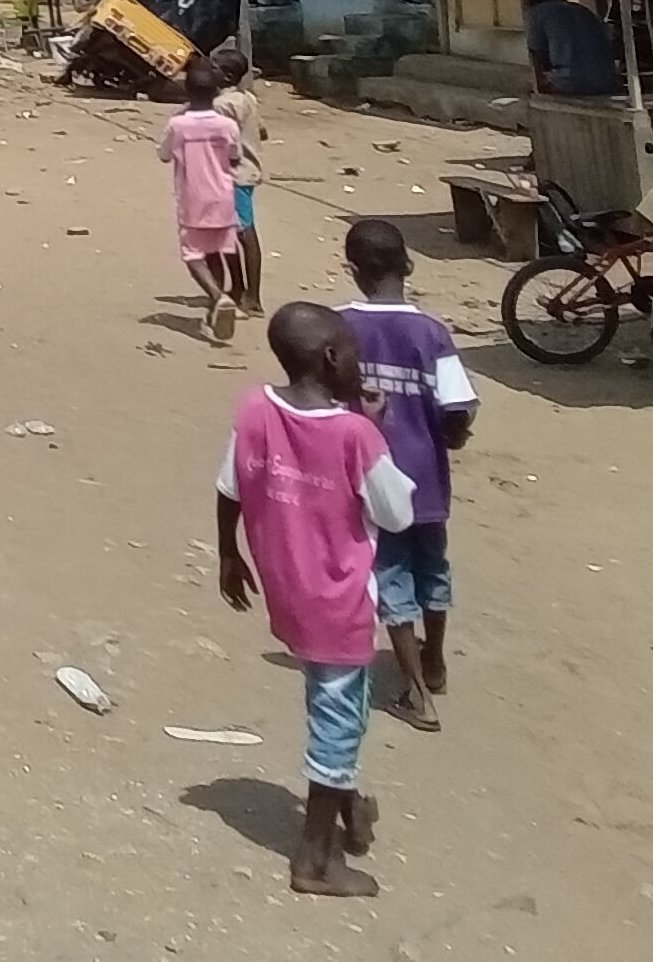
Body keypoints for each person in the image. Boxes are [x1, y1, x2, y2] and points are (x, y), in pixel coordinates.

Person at [215, 302, 420, 900]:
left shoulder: (256, 409)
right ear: (331, 358)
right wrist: (378, 432)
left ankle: (347, 803)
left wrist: (228, 555)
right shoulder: (356, 434)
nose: (360, 364)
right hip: (339, 602)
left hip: (289, 592)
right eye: (354, 354)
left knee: (332, 698)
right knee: (338, 722)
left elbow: (229, 487)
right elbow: (397, 514)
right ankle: (315, 859)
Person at [340, 218, 476, 731]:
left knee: (391, 574)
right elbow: (457, 407)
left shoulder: (340, 328)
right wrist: (451, 437)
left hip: (371, 477)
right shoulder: (431, 332)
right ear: (408, 266)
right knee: (432, 567)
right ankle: (434, 661)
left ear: (354, 271)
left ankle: (416, 694)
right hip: (427, 476)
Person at [159, 60, 248, 345]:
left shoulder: (178, 125)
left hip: (192, 199)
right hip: (223, 197)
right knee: (218, 250)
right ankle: (216, 309)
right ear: (216, 92)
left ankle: (218, 296)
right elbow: (235, 156)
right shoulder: (227, 125)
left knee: (194, 255)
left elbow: (164, 155)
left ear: (187, 91)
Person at [210, 44, 270, 317]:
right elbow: (262, 131)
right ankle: (238, 289)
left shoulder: (222, 105)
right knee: (232, 232)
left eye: (213, 68)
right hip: (246, 171)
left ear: (227, 75)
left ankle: (252, 297)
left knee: (243, 232)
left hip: (232, 175)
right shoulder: (247, 99)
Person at [521, 0, 620, 98]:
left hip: (572, 81)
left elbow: (539, 56)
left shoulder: (534, 14)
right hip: (608, 80)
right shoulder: (579, 8)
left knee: (528, 90)